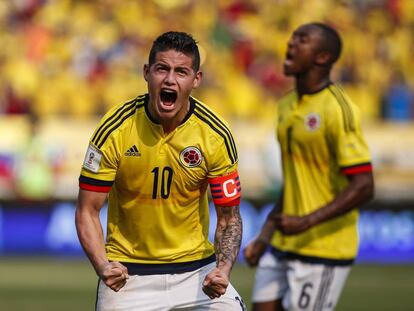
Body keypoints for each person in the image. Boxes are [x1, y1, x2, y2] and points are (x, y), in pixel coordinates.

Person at [75, 31, 246, 311]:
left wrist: (223, 269)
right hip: (129, 277)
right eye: (161, 69)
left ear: (196, 80)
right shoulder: (115, 129)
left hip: (197, 273)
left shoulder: (214, 134)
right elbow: (87, 210)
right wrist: (103, 266)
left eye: (181, 71)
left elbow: (229, 217)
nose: (170, 79)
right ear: (146, 73)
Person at [244, 22, 374, 311]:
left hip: (322, 246)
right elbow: (295, 181)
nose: (290, 43)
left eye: (301, 40)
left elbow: (364, 186)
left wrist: (306, 221)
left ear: (322, 57)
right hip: (283, 240)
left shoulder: (339, 109)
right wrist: (265, 234)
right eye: (291, 37)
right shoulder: (285, 105)